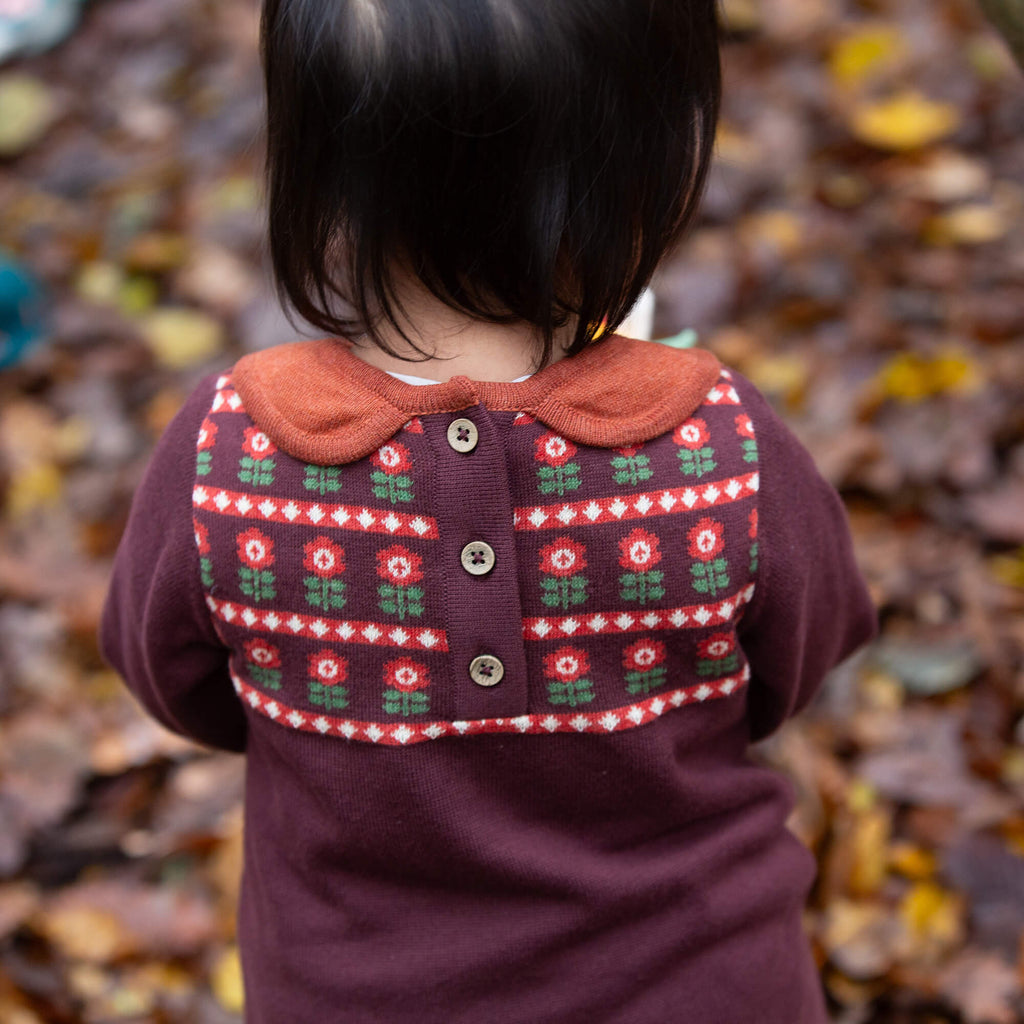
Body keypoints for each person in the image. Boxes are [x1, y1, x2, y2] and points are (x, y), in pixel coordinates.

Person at [100, 1, 877, 1021]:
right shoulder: (721, 450)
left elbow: (169, 676)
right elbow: (804, 651)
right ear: (637, 185)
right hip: (707, 982)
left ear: (316, 188)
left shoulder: (224, 459)